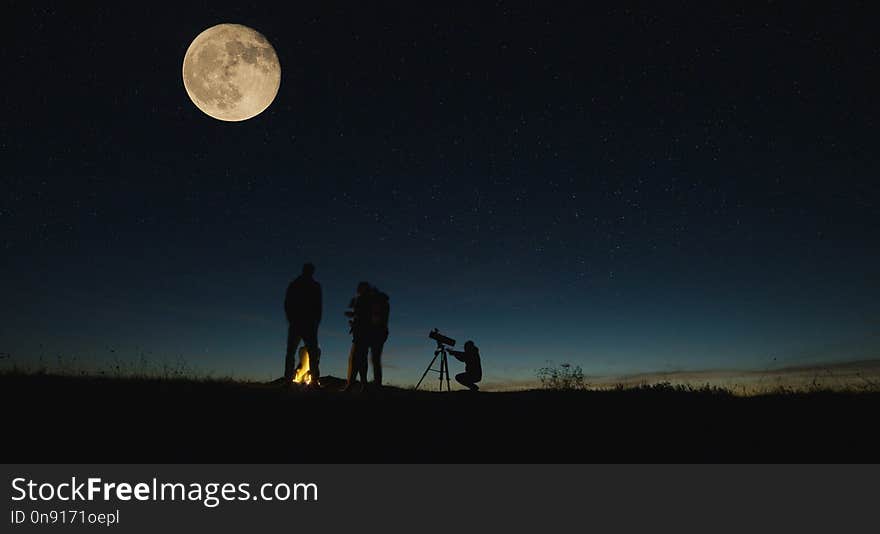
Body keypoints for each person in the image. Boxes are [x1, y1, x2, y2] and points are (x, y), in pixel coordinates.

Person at [284, 263, 322, 386]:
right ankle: (310, 381)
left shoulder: (297, 284)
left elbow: (318, 306)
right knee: (307, 352)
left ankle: (291, 381)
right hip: (302, 323)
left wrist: (316, 321)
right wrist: (291, 319)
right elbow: (288, 303)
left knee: (297, 352)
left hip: (304, 323)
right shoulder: (300, 285)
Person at [344, 282, 372, 390]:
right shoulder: (364, 300)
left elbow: (363, 316)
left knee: (357, 359)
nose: (357, 290)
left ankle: (352, 385)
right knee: (360, 359)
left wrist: (353, 318)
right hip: (361, 334)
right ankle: (361, 385)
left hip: (362, 334)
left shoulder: (365, 300)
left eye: (359, 288)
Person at [366, 286, 390, 386]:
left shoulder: (379, 305)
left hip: (377, 333)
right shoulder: (384, 303)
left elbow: (377, 319)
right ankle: (377, 382)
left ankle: (377, 383)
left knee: (375, 359)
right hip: (381, 333)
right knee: (375, 359)